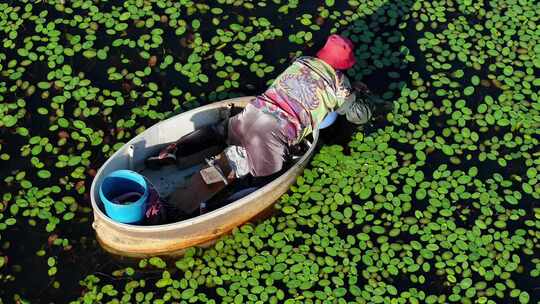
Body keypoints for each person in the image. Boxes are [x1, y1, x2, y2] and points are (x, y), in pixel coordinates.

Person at [145, 34, 392, 216]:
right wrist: (360, 97)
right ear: (344, 65)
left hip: (255, 113)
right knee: (263, 180)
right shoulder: (340, 84)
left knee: (219, 132)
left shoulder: (302, 62)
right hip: (271, 136)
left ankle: (174, 152)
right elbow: (358, 115)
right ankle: (210, 207)